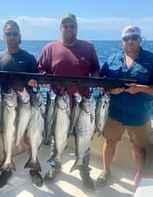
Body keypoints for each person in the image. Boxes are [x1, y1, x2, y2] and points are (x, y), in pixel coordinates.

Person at [96, 26, 153, 187]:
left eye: (134, 37)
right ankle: (105, 171)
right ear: (121, 42)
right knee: (109, 142)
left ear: (140, 39)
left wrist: (140, 88)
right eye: (126, 38)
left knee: (139, 147)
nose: (130, 41)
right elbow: (100, 85)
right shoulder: (111, 60)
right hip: (113, 113)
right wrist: (110, 90)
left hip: (140, 115)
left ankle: (139, 175)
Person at [38, 13, 100, 191]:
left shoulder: (88, 47)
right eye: (66, 25)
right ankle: (55, 166)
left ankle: (83, 169)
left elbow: (95, 69)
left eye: (72, 25)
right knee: (57, 137)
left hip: (83, 105)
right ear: (60, 28)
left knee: (84, 137)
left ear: (77, 28)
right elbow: (40, 69)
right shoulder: (50, 48)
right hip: (59, 103)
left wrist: (99, 83)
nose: (69, 28)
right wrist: (44, 78)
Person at [0, 20, 43, 188]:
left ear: (20, 36)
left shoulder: (28, 58)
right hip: (6, 106)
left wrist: (35, 83)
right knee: (6, 136)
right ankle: (7, 167)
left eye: (15, 34)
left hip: (26, 106)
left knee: (30, 137)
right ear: (4, 36)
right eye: (9, 34)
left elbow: (37, 80)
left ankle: (34, 167)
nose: (12, 36)